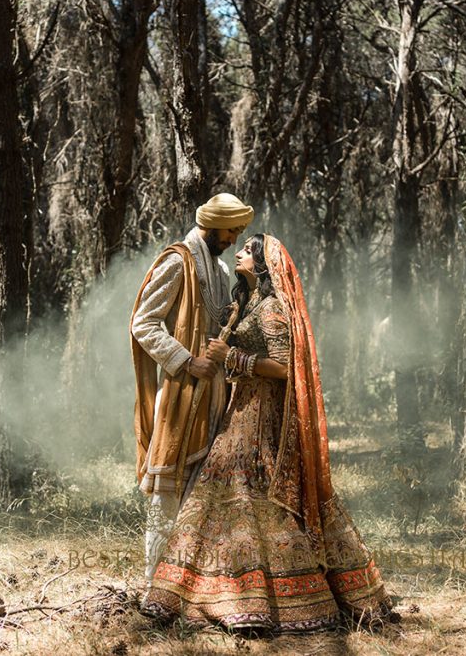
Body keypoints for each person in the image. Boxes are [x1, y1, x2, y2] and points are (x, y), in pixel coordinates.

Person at [140, 234, 392, 633]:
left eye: (247, 249)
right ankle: (206, 591)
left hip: (261, 414)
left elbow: (283, 366)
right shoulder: (249, 302)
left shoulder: (273, 307)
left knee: (256, 496)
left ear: (261, 262)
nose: (238, 251)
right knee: (221, 496)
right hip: (240, 409)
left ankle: (285, 598)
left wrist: (234, 357)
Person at [130, 193, 254, 582]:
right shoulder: (177, 260)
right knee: (169, 493)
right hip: (183, 395)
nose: (234, 239)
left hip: (216, 396)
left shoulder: (218, 269)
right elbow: (143, 323)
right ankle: (154, 586)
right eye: (232, 230)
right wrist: (187, 361)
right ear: (214, 224)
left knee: (202, 496)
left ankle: (188, 588)